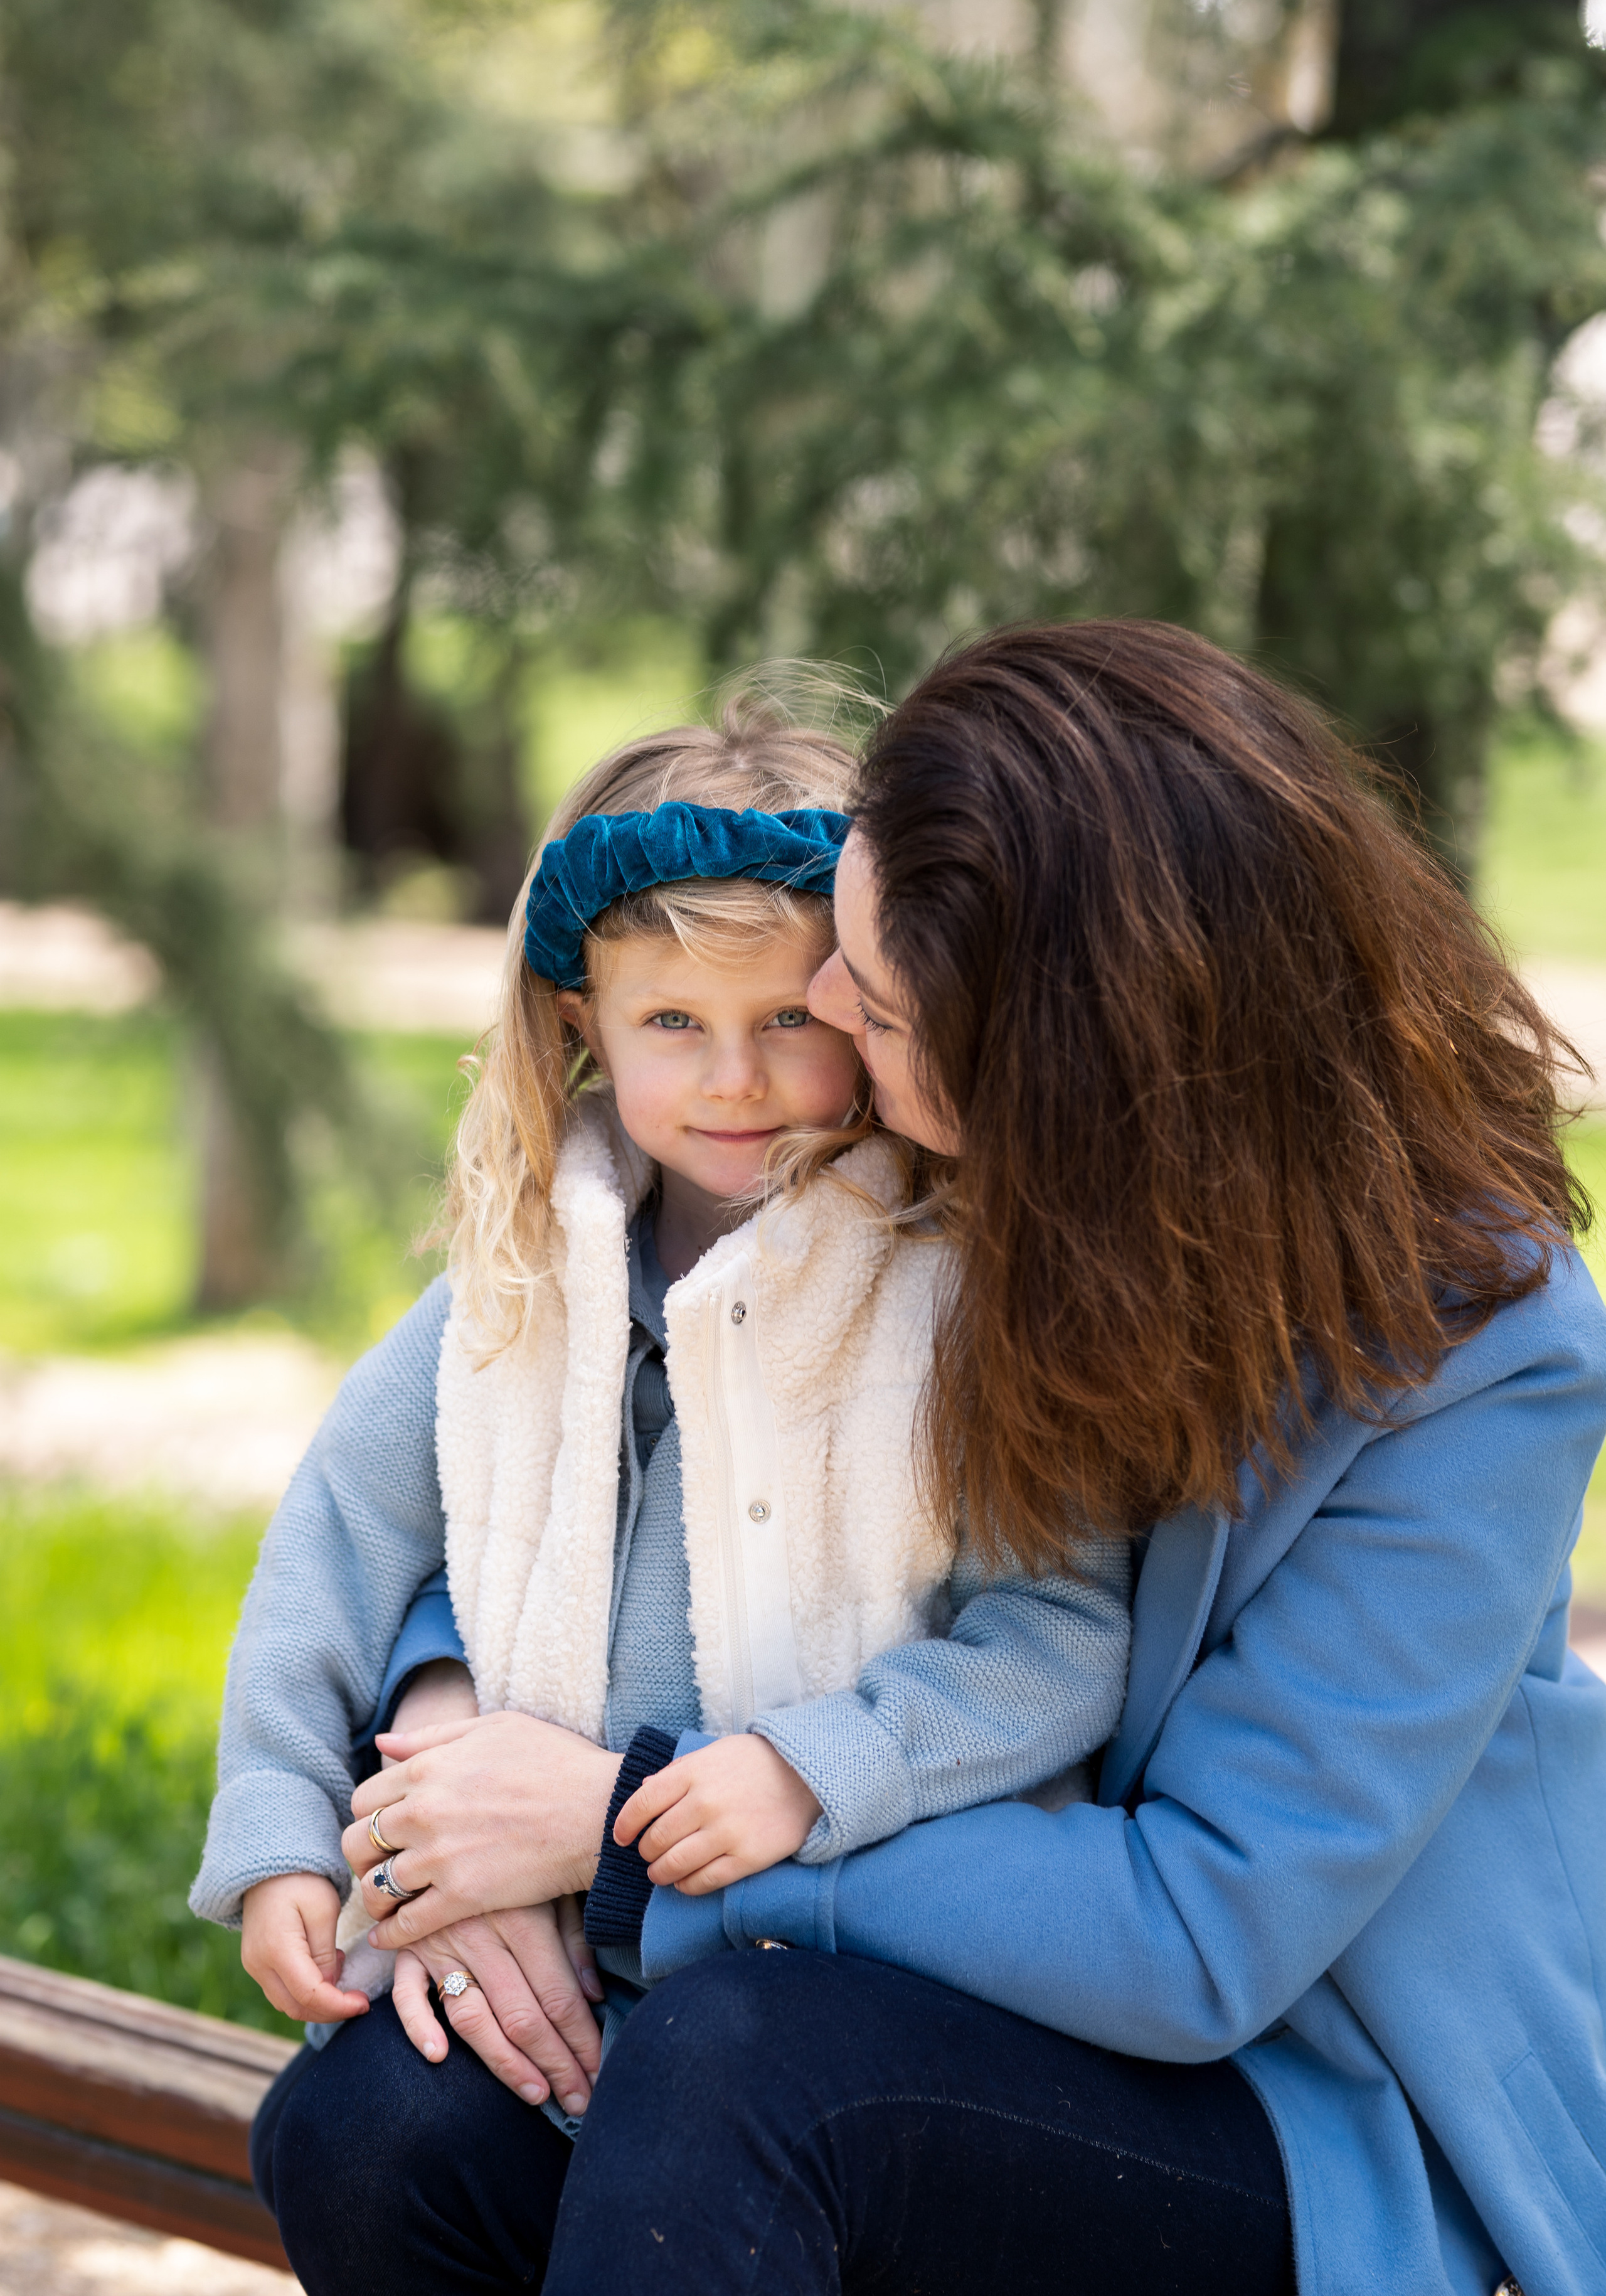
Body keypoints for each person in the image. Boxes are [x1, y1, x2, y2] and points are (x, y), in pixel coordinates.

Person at [245, 621, 1606, 2296]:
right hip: (883, 1976)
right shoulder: (948, 1193)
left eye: (868, 1004)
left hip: (1300, 2110)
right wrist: (445, 1752)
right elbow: (521, 1455)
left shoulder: (1481, 1356)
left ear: (1061, 1072)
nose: (809, 1012)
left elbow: (1201, 1935)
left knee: (746, 2070)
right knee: (386, 2124)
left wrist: (612, 1845)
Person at [191, 693, 1129, 2145]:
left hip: (826, 1972)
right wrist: (278, 1831)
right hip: (548, 1948)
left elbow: (1058, 1635)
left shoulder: (955, 1302)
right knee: (352, 2137)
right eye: (674, 1022)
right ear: (583, 1021)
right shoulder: (516, 1284)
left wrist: (810, 1768)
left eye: (786, 1021)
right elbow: (336, 1546)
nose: (734, 1078)